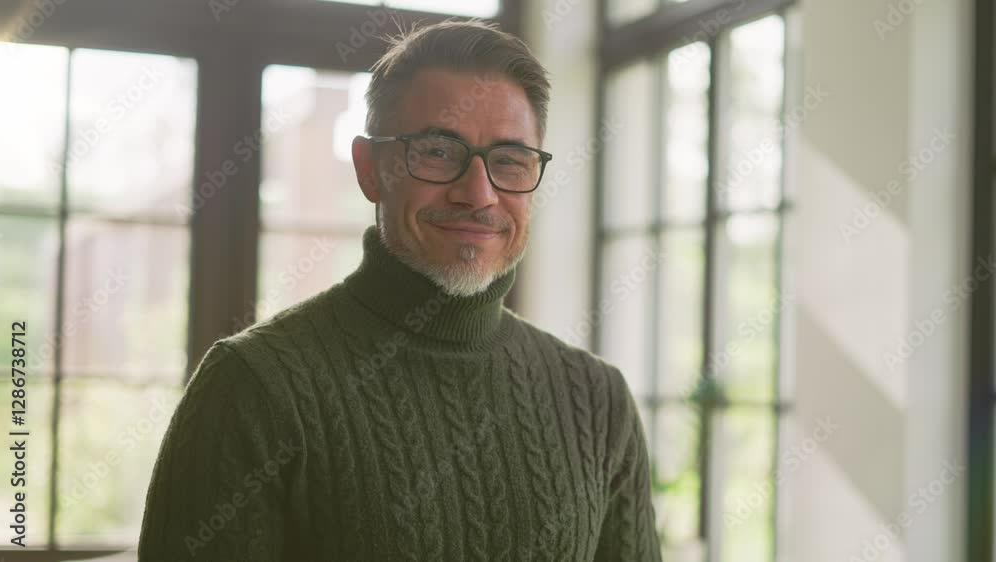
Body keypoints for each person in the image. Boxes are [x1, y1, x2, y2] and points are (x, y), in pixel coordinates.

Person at [138, 19, 662, 562]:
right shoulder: (251, 386)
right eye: (438, 151)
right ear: (370, 170)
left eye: (509, 160)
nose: (478, 193)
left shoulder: (599, 401)